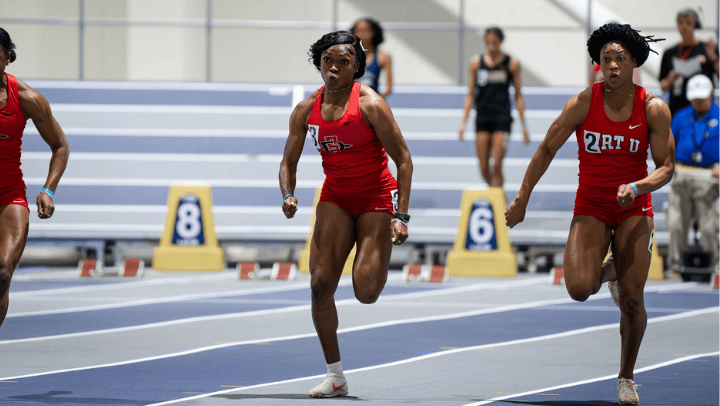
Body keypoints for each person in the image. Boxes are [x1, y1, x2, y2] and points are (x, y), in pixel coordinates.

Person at [505, 23, 673, 404]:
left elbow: (666, 167)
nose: (612, 66)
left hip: (634, 207)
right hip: (592, 206)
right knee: (579, 288)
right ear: (598, 64)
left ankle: (626, 378)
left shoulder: (653, 108)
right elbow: (546, 148)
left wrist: (638, 187)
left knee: (632, 300)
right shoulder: (583, 102)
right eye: (605, 60)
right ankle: (615, 269)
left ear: (634, 62)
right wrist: (522, 198)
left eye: (619, 59)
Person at [279, 30, 412, 398]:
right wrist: (288, 194)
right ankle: (335, 375)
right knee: (320, 285)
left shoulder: (371, 104)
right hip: (336, 196)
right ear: (318, 63)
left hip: (374, 196)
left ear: (357, 68)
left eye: (343, 62)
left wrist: (401, 215)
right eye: (327, 61)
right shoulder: (306, 109)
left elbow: (403, 159)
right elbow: (287, 162)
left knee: (366, 291)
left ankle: (376, 252)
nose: (334, 69)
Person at [0, 27, 69, 328]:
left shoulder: (28, 99)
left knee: (3, 273)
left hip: (9, 196)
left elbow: (60, 146)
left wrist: (48, 190)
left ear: (8, 57)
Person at [458, 27, 530, 188]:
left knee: (496, 165)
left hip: (502, 119)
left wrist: (524, 126)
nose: (491, 47)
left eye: (495, 43)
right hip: (482, 118)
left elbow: (518, 95)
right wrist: (463, 122)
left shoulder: (511, 64)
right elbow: (470, 94)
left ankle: (498, 202)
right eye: (488, 43)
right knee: (483, 167)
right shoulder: (476, 63)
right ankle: (497, 196)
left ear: (500, 42)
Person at [666, 74, 719, 275]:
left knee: (708, 225)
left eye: (701, 98)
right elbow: (668, 144)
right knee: (676, 222)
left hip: (709, 176)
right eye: (694, 98)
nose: (697, 102)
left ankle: (713, 267)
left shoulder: (719, 116)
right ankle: (677, 266)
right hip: (682, 173)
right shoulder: (680, 116)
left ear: (710, 95)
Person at [659, 8, 719, 116]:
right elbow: (663, 86)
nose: (684, 27)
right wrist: (671, 77)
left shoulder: (707, 49)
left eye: (688, 23)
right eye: (680, 23)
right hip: (677, 108)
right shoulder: (669, 53)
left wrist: (714, 57)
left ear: (695, 25)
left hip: (703, 109)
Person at [350, 18, 393, 99]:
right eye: (358, 31)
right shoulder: (347, 55)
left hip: (372, 103)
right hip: (351, 102)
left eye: (365, 31)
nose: (361, 34)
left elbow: (389, 87)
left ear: (374, 33)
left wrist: (379, 99)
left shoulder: (383, 56)